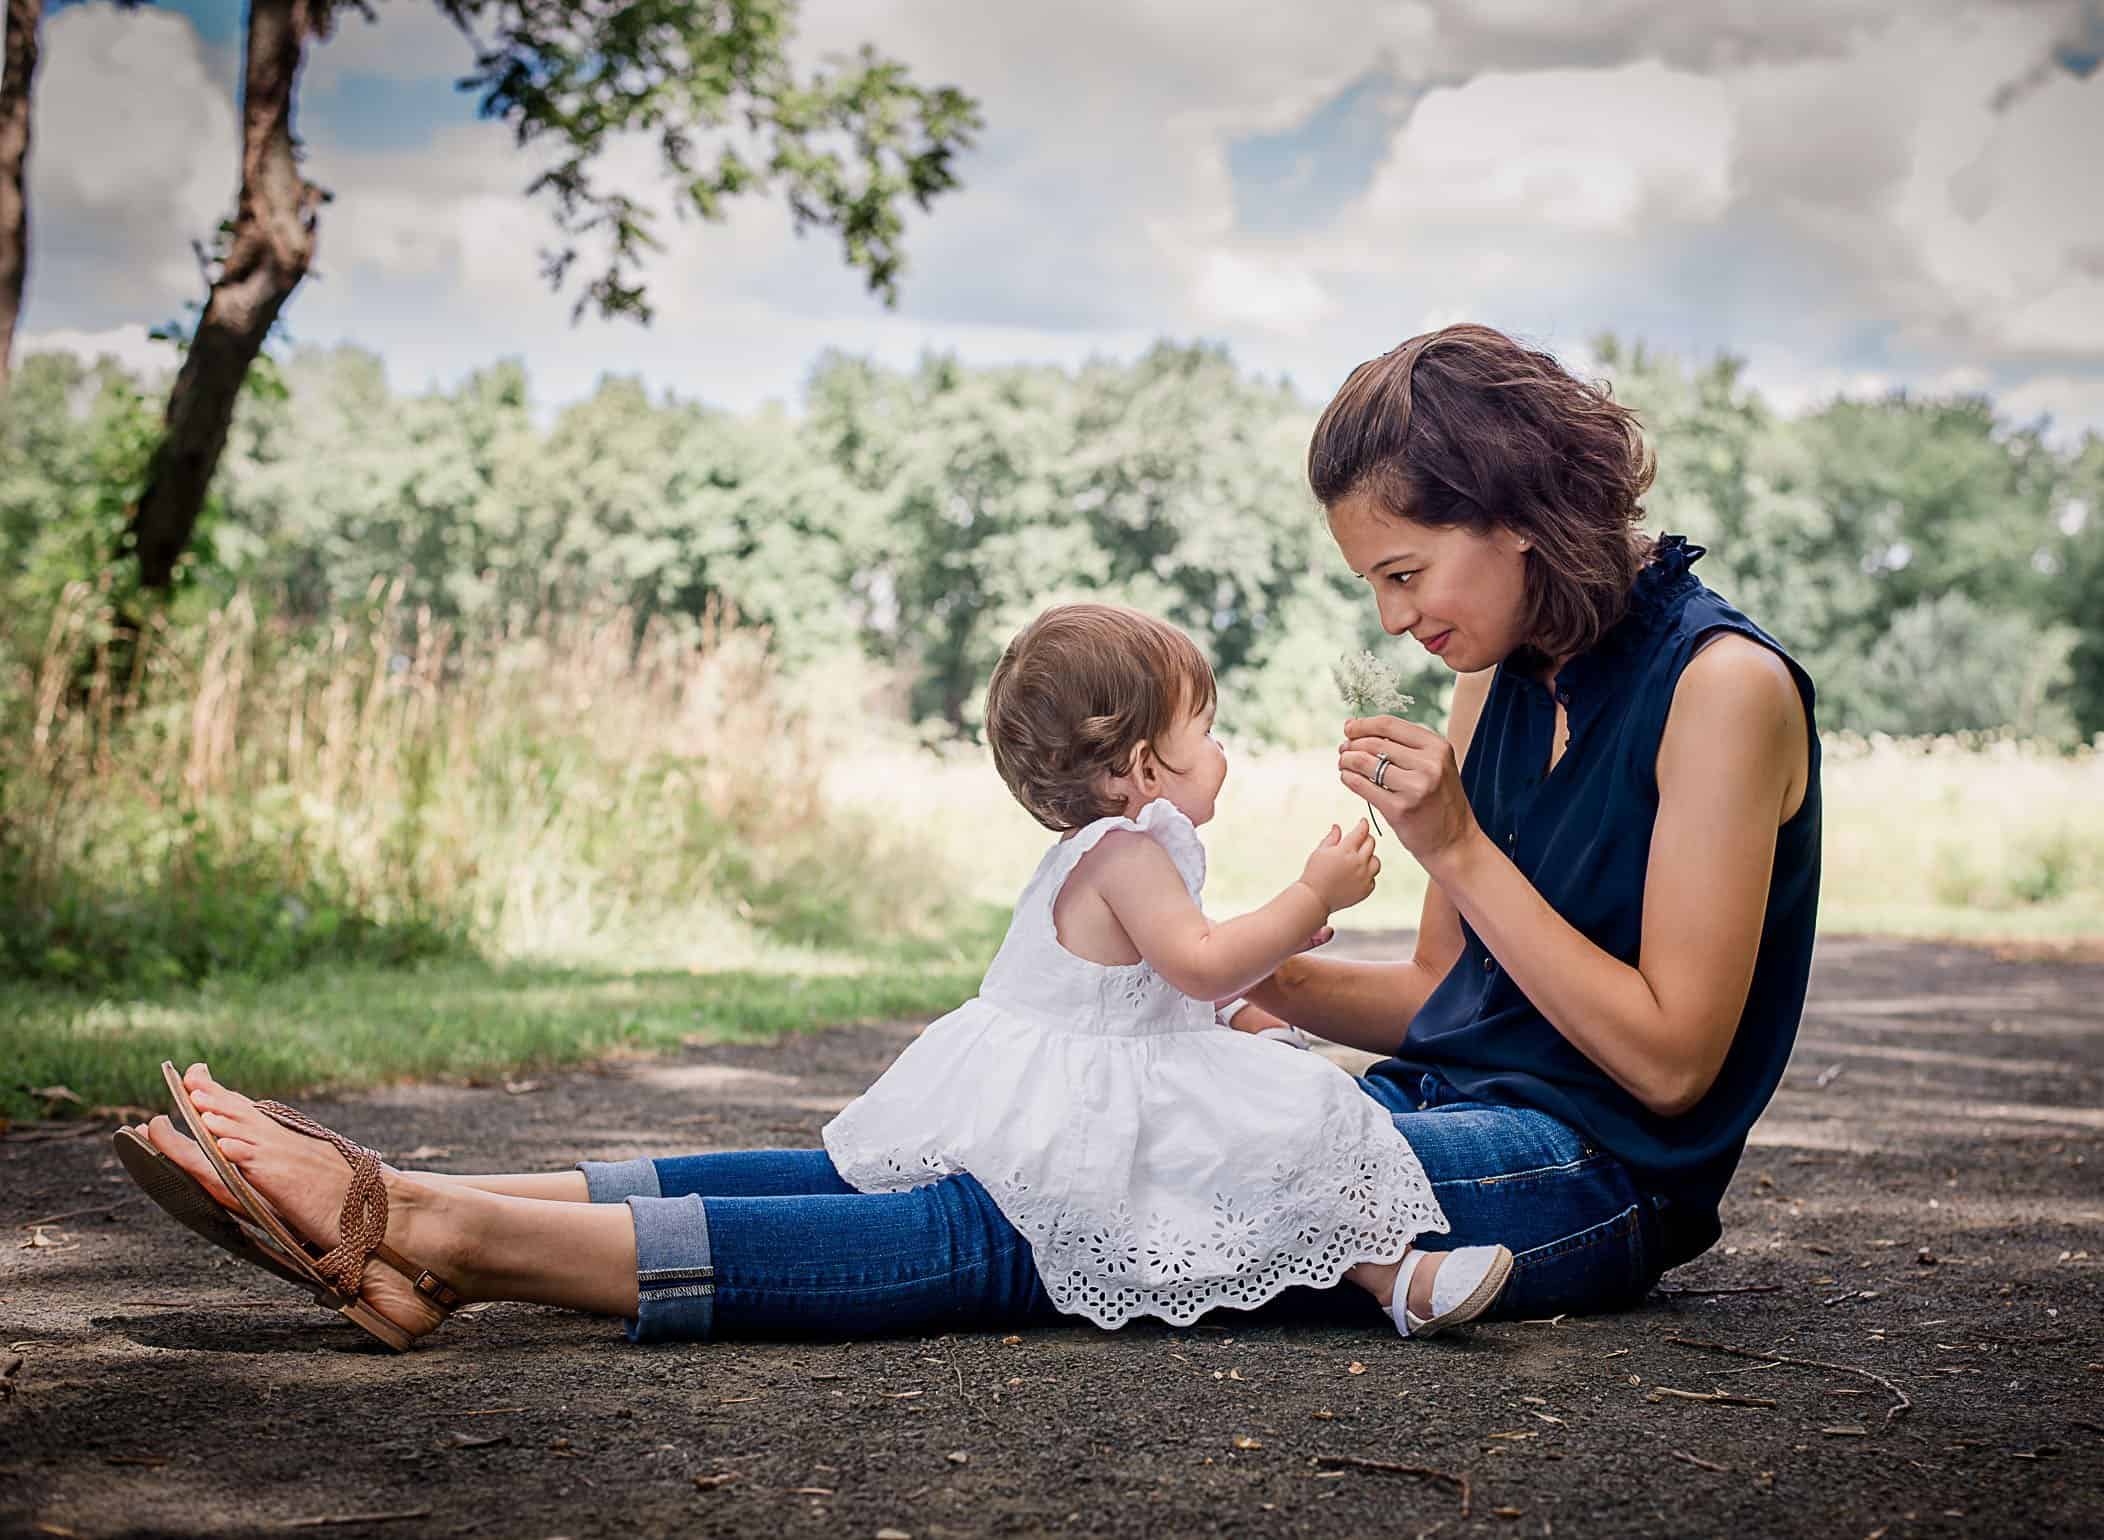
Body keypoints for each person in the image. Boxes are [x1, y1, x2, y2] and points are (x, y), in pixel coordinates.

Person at [123, 320, 1819, 1348]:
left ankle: (448, 1240)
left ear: (1516, 514)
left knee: (1045, 1221)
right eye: (1374, 582)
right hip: (1425, 1119)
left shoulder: (1723, 690)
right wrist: (1239, 985)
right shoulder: (1500, 676)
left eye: (1403, 572)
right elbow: (1449, 1007)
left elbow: (1670, 1062)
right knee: (950, 1154)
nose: (1394, 619)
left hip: (1579, 1183)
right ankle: (411, 1196)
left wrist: (1453, 849)